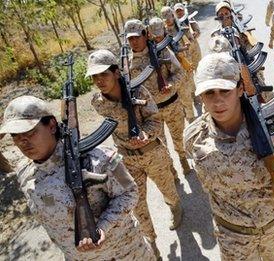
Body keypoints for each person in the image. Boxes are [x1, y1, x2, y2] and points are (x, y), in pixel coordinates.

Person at [184, 52, 274, 260]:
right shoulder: (193, 137)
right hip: (232, 236)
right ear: (200, 97)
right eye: (209, 93)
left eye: (224, 91)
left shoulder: (270, 122)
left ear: (239, 89)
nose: (217, 101)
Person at [0, 95, 155, 260]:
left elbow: (130, 192)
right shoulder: (24, 173)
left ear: (52, 126)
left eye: (30, 132)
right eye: (15, 136)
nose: (22, 141)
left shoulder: (99, 158)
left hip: (126, 252)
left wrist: (103, 227)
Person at [87, 49, 183, 258]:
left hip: (153, 153)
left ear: (116, 73)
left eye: (103, 74)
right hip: (127, 161)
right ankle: (152, 241)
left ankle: (175, 208)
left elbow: (155, 120)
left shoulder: (138, 93)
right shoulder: (97, 103)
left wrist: (145, 134)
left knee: (168, 189)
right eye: (94, 76)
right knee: (137, 204)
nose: (99, 80)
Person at [124, 19, 192, 176]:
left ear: (145, 34)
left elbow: (180, 72)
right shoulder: (128, 64)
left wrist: (170, 85)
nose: (133, 41)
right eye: (130, 38)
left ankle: (183, 158)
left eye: (136, 37)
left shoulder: (161, 51)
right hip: (151, 115)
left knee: (179, 137)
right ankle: (171, 169)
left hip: (171, 105)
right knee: (160, 145)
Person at [148, 16, 196, 123]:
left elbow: (180, 53)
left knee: (186, 98)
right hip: (165, 81)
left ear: (164, 29)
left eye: (160, 33)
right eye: (155, 34)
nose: (158, 37)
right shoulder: (149, 46)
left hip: (179, 73)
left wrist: (181, 51)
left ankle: (191, 119)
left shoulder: (170, 39)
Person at [173, 3, 202, 69]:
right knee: (189, 70)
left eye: (181, 10)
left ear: (184, 10)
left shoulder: (190, 19)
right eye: (177, 11)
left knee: (199, 68)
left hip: (195, 48)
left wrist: (195, 33)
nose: (179, 12)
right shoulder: (174, 24)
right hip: (185, 51)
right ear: (175, 13)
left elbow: (198, 31)